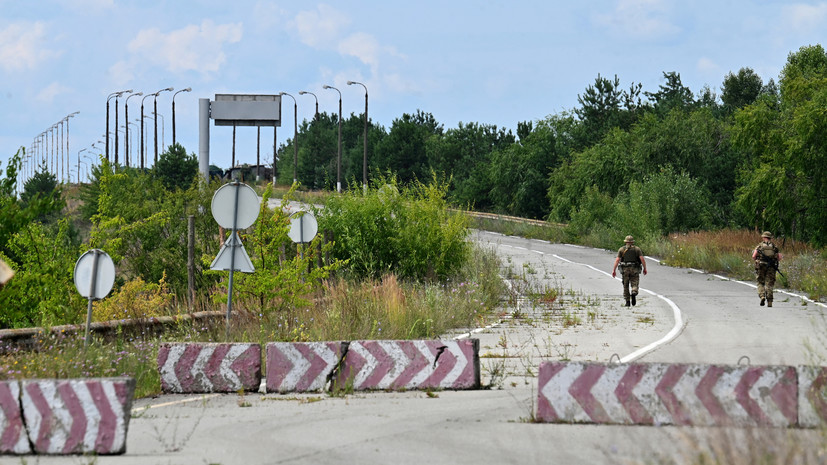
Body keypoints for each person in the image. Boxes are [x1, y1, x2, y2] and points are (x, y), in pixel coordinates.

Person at [612, 235, 647, 307]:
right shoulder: (637, 249)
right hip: (634, 269)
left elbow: (617, 260)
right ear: (632, 242)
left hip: (625, 270)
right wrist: (645, 268)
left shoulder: (621, 249)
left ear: (626, 242)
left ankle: (627, 301)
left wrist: (614, 270)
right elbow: (642, 259)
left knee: (625, 285)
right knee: (635, 283)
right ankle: (634, 292)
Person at [752, 231, 782, 307]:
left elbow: (754, 256)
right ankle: (770, 301)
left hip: (761, 265)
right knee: (769, 283)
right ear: (770, 238)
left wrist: (757, 260)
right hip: (771, 266)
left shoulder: (760, 246)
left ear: (763, 237)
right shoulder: (774, 247)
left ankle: (762, 296)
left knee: (760, 281)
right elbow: (779, 258)